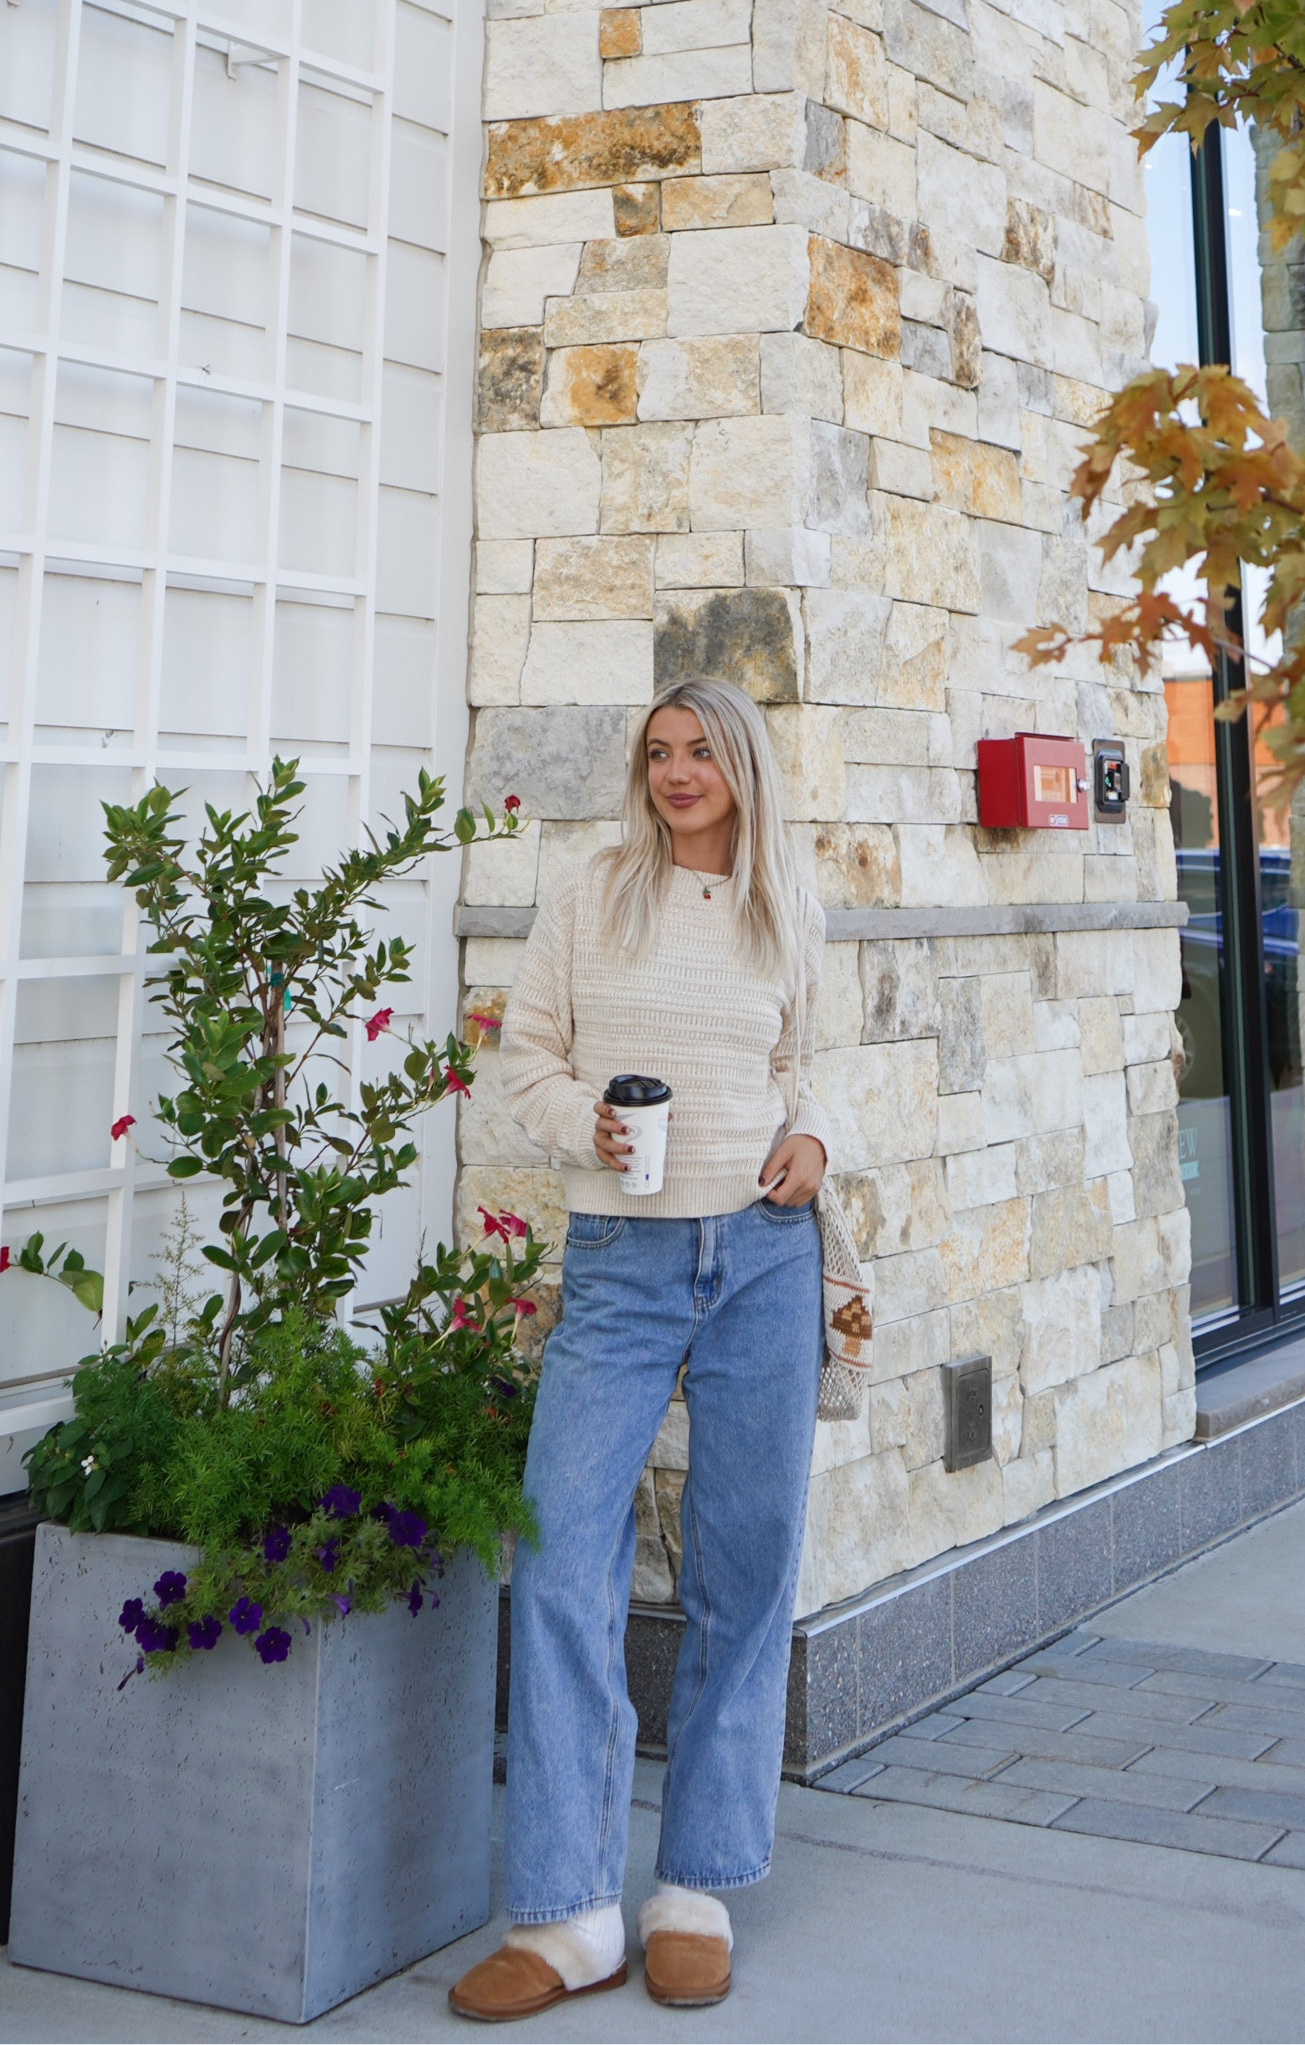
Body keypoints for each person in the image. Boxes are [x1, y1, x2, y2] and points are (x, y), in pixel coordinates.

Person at [448, 676, 831, 2022]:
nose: (676, 771)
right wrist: (585, 1130)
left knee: (744, 1563)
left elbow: (810, 1063)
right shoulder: (590, 894)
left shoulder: (789, 902)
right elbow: (526, 1061)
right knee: (561, 1554)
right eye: (658, 752)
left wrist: (814, 1140)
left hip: (765, 1261)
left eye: (699, 750)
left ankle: (696, 1887)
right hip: (621, 1267)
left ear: (740, 763)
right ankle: (564, 1916)